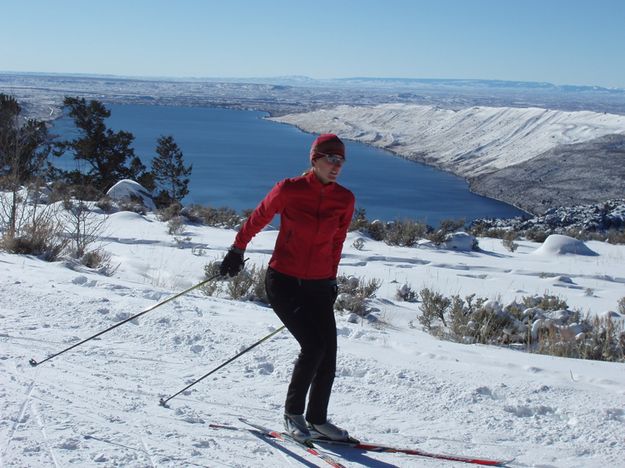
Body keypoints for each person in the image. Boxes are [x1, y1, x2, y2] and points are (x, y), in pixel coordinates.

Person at [219, 134, 355, 442]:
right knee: (313, 347)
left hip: (320, 284)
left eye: (341, 161)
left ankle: (318, 420)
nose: (336, 166)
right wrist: (237, 249)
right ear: (314, 159)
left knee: (329, 355)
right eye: (330, 159)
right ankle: (293, 415)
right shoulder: (290, 189)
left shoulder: (344, 199)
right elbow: (259, 217)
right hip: (284, 281)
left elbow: (337, 241)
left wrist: (331, 278)